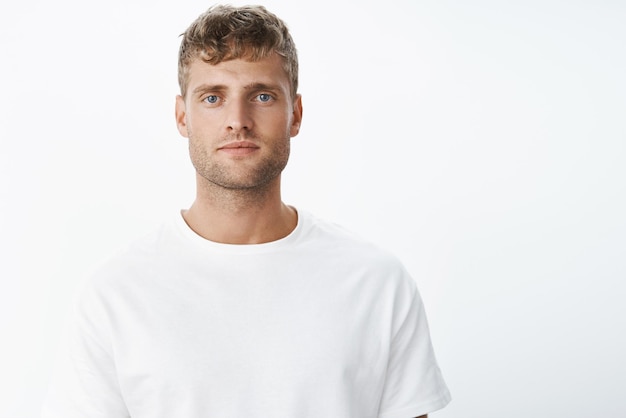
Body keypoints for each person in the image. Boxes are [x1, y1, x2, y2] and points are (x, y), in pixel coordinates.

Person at [41, 4, 451, 418]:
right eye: (213, 97)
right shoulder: (114, 295)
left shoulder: (376, 283)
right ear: (183, 116)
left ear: (296, 114)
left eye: (262, 95)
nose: (238, 121)